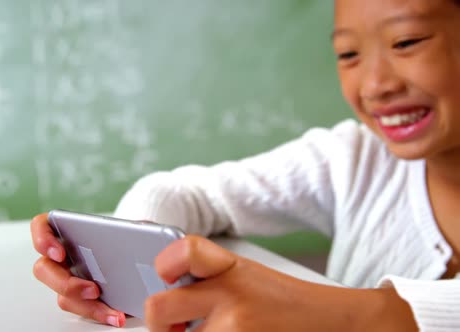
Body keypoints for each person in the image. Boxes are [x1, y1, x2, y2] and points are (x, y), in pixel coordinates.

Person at [30, 0, 460, 330]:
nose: (375, 85)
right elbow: (191, 193)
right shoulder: (356, 158)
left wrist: (324, 311)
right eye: (348, 54)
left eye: (407, 42)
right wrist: (128, 257)